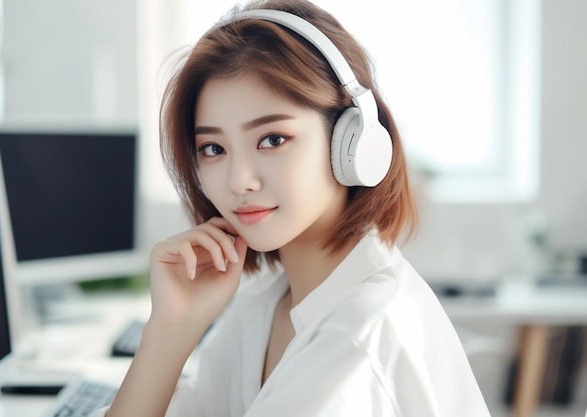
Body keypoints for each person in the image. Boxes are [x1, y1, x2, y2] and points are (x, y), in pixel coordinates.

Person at [99, 0, 491, 416]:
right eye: (213, 148)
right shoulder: (265, 302)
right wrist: (170, 331)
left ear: (352, 144)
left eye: (272, 139)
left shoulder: (357, 338)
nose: (238, 181)